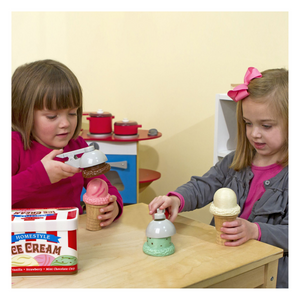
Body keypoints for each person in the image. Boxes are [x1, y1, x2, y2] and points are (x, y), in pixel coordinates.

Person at [148, 67, 288, 288]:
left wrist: (255, 231)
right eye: (248, 123)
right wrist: (177, 199)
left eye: (266, 125)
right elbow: (204, 185)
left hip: (265, 277)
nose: (254, 133)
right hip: (223, 264)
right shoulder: (235, 161)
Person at [12, 59, 123, 227]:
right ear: (23, 113)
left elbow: (103, 184)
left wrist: (114, 205)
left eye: (72, 113)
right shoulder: (14, 146)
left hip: (70, 236)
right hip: (23, 240)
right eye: (52, 116)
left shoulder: (78, 146)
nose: (66, 123)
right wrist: (39, 176)